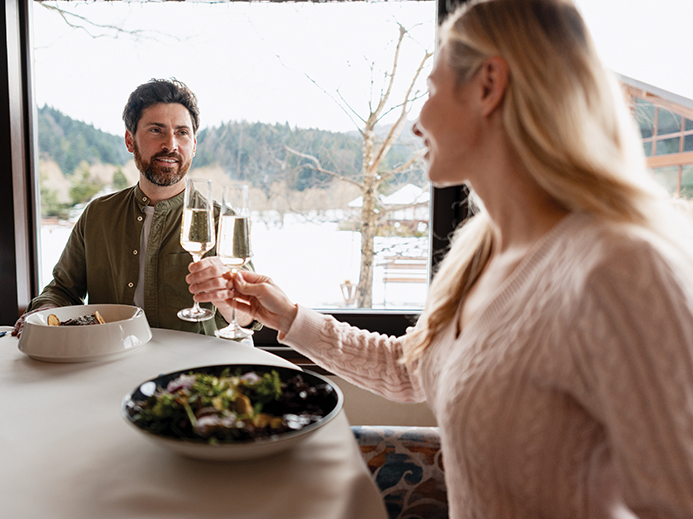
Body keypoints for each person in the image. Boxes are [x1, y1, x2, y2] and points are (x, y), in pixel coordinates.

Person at [187, 1, 693, 517]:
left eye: (430, 90)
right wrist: (289, 317)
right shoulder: (483, 252)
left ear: (488, 85)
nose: (416, 122)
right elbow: (412, 369)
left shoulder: (621, 270)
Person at [13, 78, 257, 337]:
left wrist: (228, 299)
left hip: (196, 371)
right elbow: (62, 290)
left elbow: (248, 316)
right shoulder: (97, 215)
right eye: (156, 130)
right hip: (111, 363)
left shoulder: (223, 221)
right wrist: (44, 311)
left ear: (194, 145)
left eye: (182, 132)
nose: (171, 145)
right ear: (130, 141)